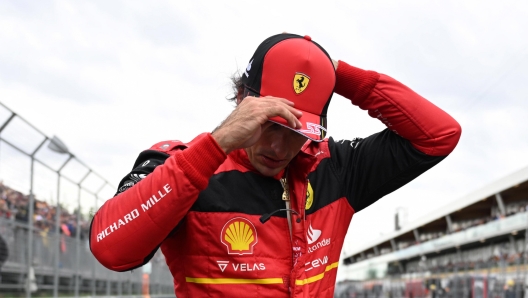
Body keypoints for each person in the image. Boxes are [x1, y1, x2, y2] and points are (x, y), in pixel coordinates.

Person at [89, 33, 461, 297]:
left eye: (299, 131)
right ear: (241, 100)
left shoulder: (336, 169)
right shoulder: (180, 164)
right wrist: (216, 144)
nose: (279, 146)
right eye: (269, 123)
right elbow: (110, 250)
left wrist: (339, 74)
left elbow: (439, 134)